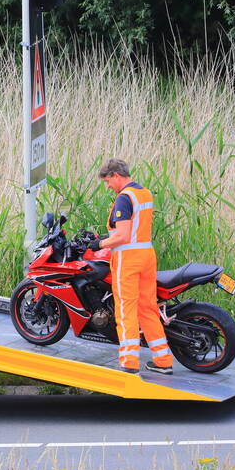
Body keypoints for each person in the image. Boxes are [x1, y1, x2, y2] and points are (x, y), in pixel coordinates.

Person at [88, 158, 173, 375]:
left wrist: (100, 244)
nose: (108, 186)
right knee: (148, 309)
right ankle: (163, 361)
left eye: (108, 181)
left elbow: (123, 236)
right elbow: (135, 229)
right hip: (147, 256)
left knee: (126, 310)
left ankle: (128, 362)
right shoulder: (144, 193)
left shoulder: (124, 199)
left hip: (128, 259)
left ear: (116, 175)